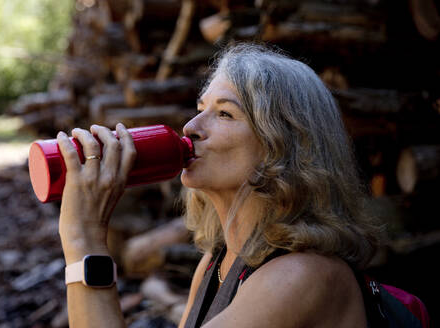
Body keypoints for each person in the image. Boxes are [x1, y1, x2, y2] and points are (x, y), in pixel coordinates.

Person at [56, 43, 383, 327]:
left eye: (225, 114)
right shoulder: (219, 262)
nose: (190, 127)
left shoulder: (302, 276)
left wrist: (84, 241)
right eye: (201, 109)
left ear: (284, 144)